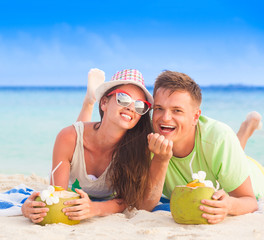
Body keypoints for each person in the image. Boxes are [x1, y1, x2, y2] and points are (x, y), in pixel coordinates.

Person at [76, 69, 264, 224]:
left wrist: (229, 205)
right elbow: (145, 204)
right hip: (211, 160)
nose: (165, 118)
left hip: (250, 172)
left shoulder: (219, 139)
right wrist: (161, 159)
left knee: (227, 153)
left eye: (177, 111)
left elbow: (249, 201)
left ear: (195, 117)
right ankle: (245, 130)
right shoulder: (146, 137)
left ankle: (245, 130)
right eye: (159, 108)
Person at [21, 69, 173, 224]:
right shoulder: (67, 137)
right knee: (76, 134)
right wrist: (28, 208)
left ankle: (90, 100)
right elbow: (57, 196)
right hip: (75, 165)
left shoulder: (138, 148)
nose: (131, 107)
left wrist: (94, 208)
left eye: (140, 105)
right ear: (104, 102)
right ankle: (89, 102)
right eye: (123, 98)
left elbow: (128, 200)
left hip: (104, 191)